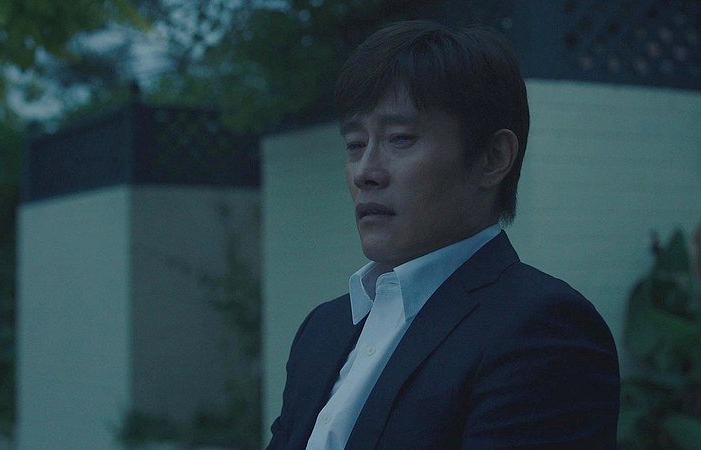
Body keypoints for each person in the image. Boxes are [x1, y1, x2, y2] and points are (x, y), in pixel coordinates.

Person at [266, 20, 620, 449]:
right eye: (355, 144)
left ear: (493, 158)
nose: (365, 172)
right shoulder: (324, 329)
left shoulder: (541, 330)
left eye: (400, 139)